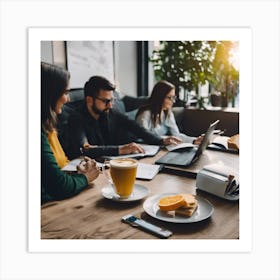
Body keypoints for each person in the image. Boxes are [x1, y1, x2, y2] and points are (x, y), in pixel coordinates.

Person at [67, 76, 182, 159]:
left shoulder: (110, 112)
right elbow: (85, 149)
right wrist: (121, 149)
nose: (110, 105)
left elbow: (136, 128)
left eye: (112, 100)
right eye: (106, 101)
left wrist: (161, 140)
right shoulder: (76, 118)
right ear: (89, 100)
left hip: (111, 163)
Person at [41, 62, 100, 204]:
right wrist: (86, 177)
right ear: (50, 93)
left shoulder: (47, 126)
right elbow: (59, 186)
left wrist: (76, 173)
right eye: (65, 92)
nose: (68, 99)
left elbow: (54, 170)